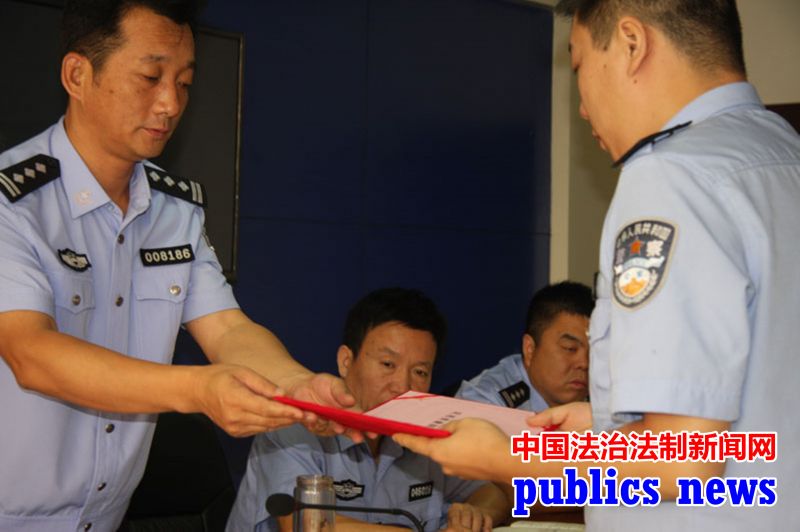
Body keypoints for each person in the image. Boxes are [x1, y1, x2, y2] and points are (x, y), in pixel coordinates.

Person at [394, 0, 800, 530]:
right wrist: (605, 424)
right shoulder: (781, 152)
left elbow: (685, 459)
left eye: (580, 65)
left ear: (632, 44)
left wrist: (509, 460)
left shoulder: (671, 176)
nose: (582, 107)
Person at [0, 2, 357, 530]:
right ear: (78, 75)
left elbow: (227, 329)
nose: (170, 103)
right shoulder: (13, 201)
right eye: (150, 77)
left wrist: (296, 385)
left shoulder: (176, 210)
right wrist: (197, 391)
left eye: (184, 83)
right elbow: (31, 353)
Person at [226, 288, 511, 532]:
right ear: (346, 361)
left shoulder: (429, 436)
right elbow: (307, 524)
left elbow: (494, 493)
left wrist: (476, 513)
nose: (403, 386)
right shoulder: (297, 425)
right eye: (388, 364)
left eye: (420, 372)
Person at [456, 281, 593, 411]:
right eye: (570, 348)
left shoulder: (600, 398)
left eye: (594, 353)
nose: (585, 363)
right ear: (530, 349)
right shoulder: (484, 401)